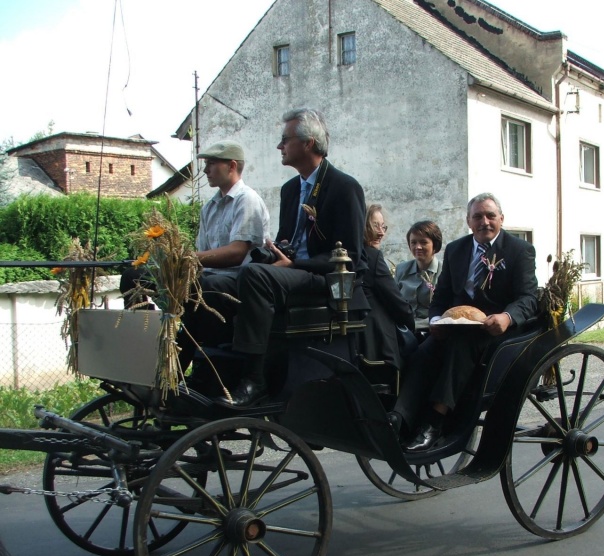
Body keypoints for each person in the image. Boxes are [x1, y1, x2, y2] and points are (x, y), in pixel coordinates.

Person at [208, 107, 368, 406]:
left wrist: (294, 262)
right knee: (212, 283)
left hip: (324, 280)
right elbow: (288, 240)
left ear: (308, 143)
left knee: (254, 276)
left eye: (285, 139)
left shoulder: (345, 187)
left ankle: (255, 380)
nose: (279, 146)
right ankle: (210, 370)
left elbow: (352, 258)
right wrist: (276, 252)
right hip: (289, 272)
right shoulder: (291, 189)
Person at [389, 192, 538, 452]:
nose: (485, 222)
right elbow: (442, 295)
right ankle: (400, 418)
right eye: (477, 216)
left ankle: (435, 421)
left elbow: (528, 297)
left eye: (490, 216)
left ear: (501, 219)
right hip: (457, 326)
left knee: (461, 347)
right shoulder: (457, 250)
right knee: (422, 351)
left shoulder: (519, 250)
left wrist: (506, 317)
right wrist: (436, 319)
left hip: (498, 331)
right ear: (468, 221)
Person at [119, 140, 269, 309]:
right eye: (206, 164)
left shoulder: (247, 199)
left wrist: (184, 257)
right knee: (133, 276)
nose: (205, 170)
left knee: (205, 287)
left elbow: (237, 253)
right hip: (207, 276)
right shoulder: (209, 207)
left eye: (211, 164)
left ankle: (183, 330)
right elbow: (202, 253)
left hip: (235, 278)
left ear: (232, 166)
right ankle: (146, 327)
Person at [360, 218, 415, 370]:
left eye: (383, 226)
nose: (381, 232)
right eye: (374, 225)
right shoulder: (372, 256)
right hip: (376, 343)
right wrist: (413, 325)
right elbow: (397, 303)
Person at [394, 220, 443, 319]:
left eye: (423, 242)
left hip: (432, 328)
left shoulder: (444, 271)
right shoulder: (401, 270)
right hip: (405, 328)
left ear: (435, 245)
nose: (418, 247)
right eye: (413, 242)